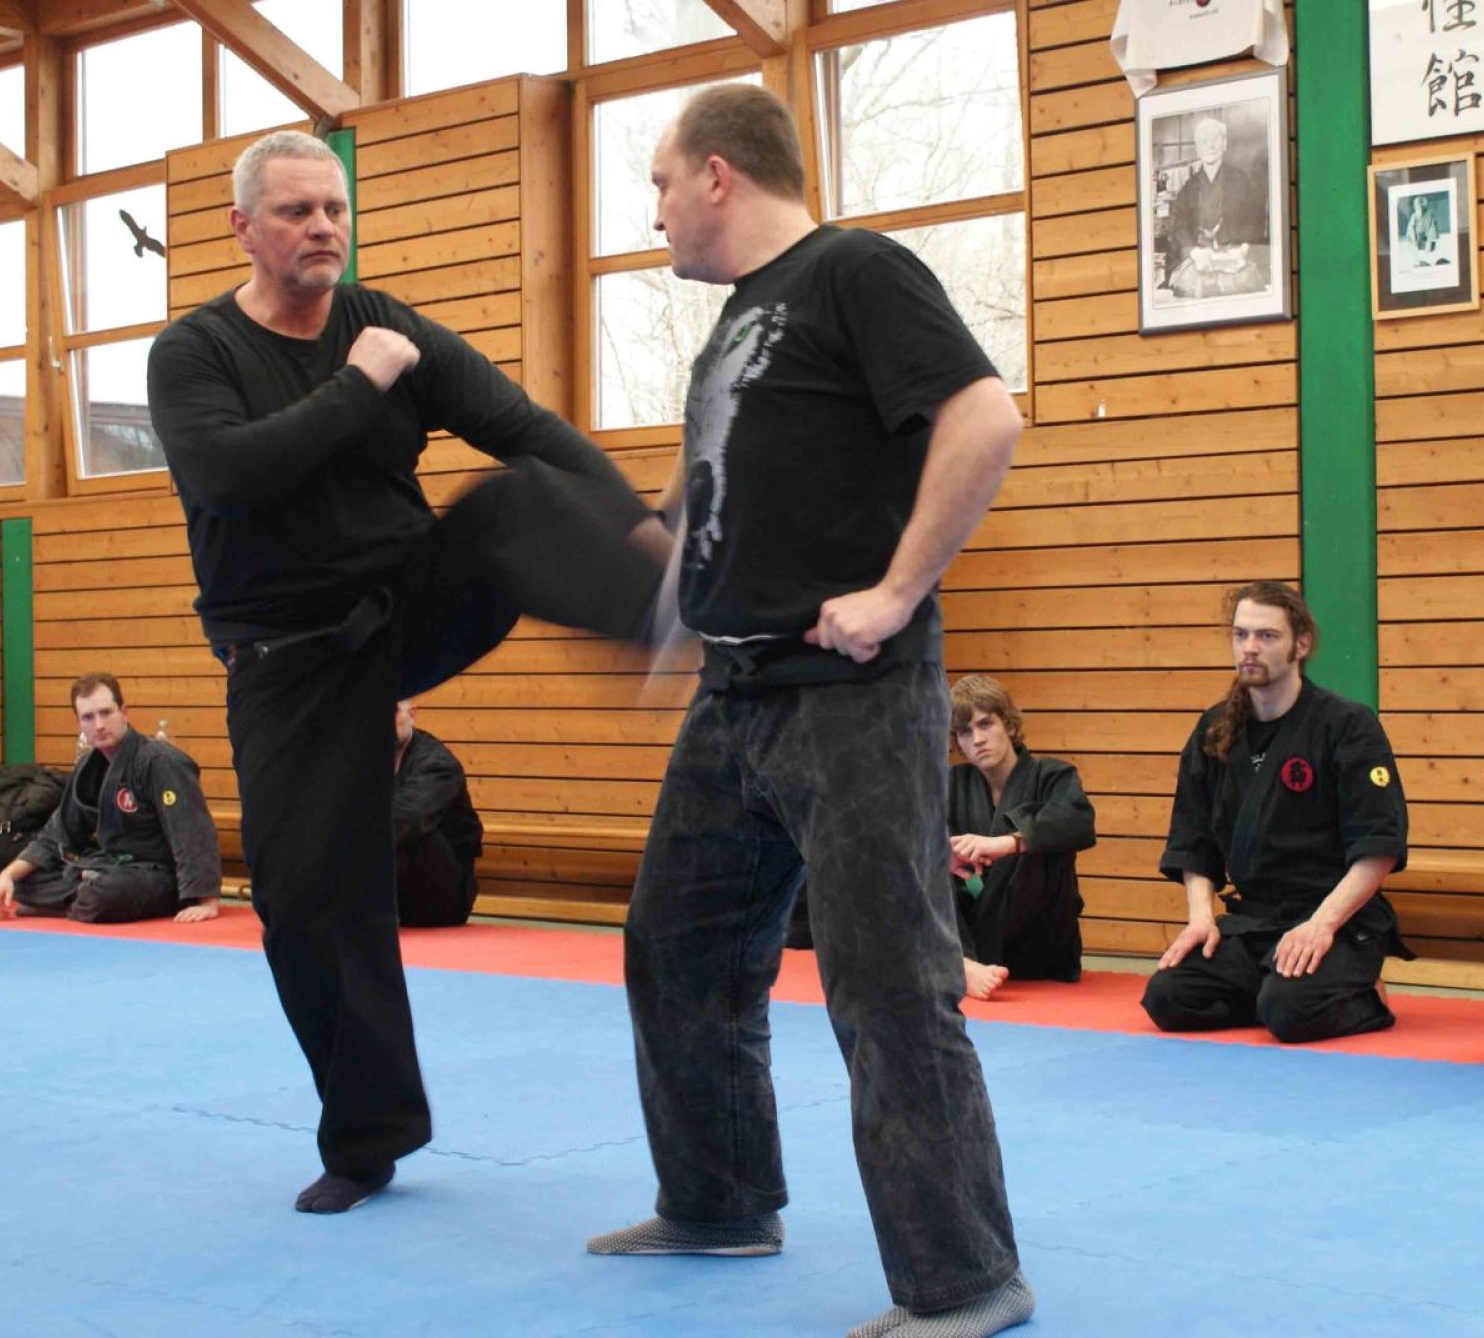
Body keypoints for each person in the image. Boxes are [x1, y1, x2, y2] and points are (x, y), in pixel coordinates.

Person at [147, 130, 666, 1214]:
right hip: (285, 659)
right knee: (306, 904)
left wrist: (641, 530)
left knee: (517, 499)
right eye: (295, 211)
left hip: (402, 609)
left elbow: (522, 425)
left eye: (333, 209)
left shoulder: (388, 323)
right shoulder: (195, 353)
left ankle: (663, 613)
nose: (322, 228)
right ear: (243, 228)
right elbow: (228, 476)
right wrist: (356, 386)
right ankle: (369, 1138)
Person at [586, 85, 1034, 1338]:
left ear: (716, 174)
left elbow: (983, 416)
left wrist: (897, 590)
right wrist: (657, 588)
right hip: (732, 695)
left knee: (886, 982)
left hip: (851, 696)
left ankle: (966, 1278)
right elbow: (718, 483)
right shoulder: (738, 320)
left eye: (660, 182)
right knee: (676, 949)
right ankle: (719, 1200)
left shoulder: (853, 271)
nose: (654, 211)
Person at [1141, 582, 1410, 1042]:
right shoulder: (1215, 729)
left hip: (1337, 920)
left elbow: (1378, 847)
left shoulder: (1346, 725)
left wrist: (1321, 926)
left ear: (1300, 644)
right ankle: (1273, 990)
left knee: (1290, 1012)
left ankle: (1367, 995)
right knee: (1168, 997)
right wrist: (1201, 918)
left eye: (1267, 636)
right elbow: (1194, 840)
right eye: (1240, 634)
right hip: (1255, 924)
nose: (1249, 647)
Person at [0, 672, 221, 925]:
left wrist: (206, 901)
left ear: (124, 713)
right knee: (24, 882)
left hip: (156, 873)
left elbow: (191, 830)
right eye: (88, 717)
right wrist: (8, 876)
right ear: (79, 723)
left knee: (104, 893)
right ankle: (82, 897)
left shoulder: (159, 761)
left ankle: (76, 899)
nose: (99, 725)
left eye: (106, 713)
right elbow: (57, 835)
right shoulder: (88, 768)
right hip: (109, 868)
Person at [948, 674, 1095, 1000]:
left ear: (1009, 724)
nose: (978, 739)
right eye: (965, 732)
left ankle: (953, 962)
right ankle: (960, 962)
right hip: (971, 934)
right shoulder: (951, 784)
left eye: (986, 724)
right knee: (926, 855)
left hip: (1037, 943)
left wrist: (1007, 843)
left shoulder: (1054, 775)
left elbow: (1078, 822)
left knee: (1035, 849)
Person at [391, 700, 483, 928]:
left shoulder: (438, 763)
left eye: (393, 712)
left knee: (401, 826)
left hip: (444, 896)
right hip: (398, 890)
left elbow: (407, 817)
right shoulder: (368, 762)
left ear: (412, 715)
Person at [1161, 116, 1267, 298]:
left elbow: (1254, 220)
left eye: (1215, 139)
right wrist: (1194, 252)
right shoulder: (1189, 188)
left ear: (1224, 144)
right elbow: (1179, 226)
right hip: (1200, 258)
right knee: (1189, 284)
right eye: (1204, 141)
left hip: (1232, 256)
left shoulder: (1241, 180)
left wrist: (1243, 249)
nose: (1210, 145)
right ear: (1198, 149)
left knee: (1244, 282)